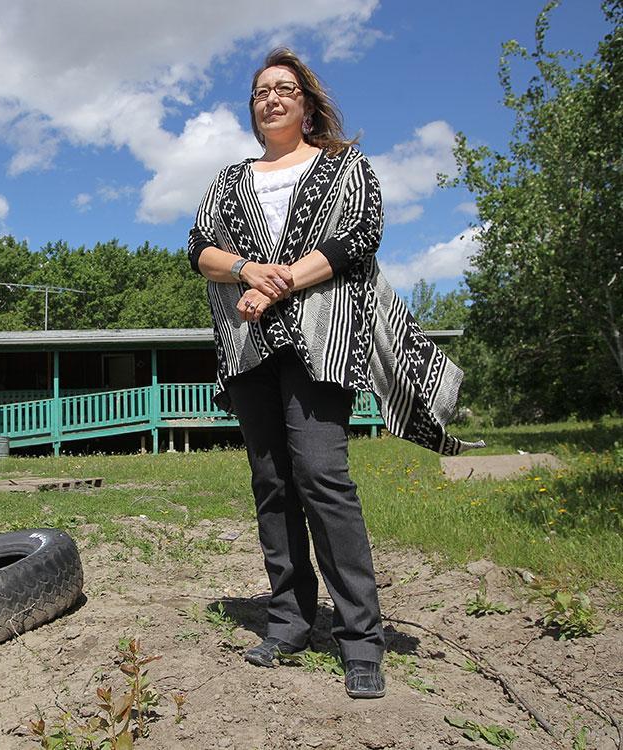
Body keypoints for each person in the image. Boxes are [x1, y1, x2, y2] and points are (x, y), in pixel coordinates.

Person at [188, 48, 482, 700]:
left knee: (322, 475)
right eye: (262, 90)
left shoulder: (346, 167)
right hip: (247, 349)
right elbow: (199, 249)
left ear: (307, 102)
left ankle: (360, 638)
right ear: (253, 107)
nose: (271, 98)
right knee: (272, 482)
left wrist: (278, 283)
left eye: (284, 88)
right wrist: (244, 272)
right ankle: (289, 621)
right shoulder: (229, 178)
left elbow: (360, 236)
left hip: (322, 343)